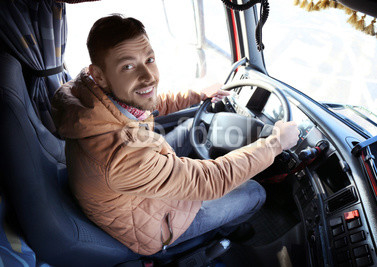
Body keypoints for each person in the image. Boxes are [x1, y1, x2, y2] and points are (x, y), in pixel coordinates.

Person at [51, 14, 299, 256]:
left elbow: (148, 105)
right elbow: (209, 181)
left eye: (149, 59)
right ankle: (228, 233)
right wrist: (276, 143)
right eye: (127, 66)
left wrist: (197, 95)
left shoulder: (90, 95)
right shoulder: (121, 156)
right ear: (99, 75)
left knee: (194, 127)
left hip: (135, 189)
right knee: (255, 192)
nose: (149, 76)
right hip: (155, 226)